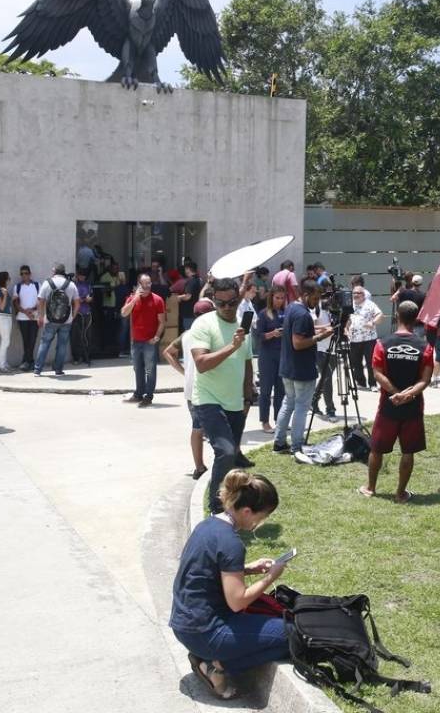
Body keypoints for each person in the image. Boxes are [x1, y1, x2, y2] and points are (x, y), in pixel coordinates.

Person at [170, 470, 289, 700]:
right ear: (246, 511)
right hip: (206, 632)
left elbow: (206, 570)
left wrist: (248, 569)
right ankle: (216, 666)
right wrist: (271, 576)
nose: (259, 523)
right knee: (290, 635)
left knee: (276, 629)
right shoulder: (232, 542)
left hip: (184, 624)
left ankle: (209, 660)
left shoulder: (208, 526)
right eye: (260, 517)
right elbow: (237, 602)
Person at [186, 277, 256, 512]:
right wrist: (231, 347)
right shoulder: (204, 324)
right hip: (208, 399)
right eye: (221, 303)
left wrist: (248, 396)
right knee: (225, 451)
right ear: (213, 300)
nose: (226, 308)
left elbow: (247, 363)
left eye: (232, 302)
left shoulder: (243, 327)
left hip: (235, 402)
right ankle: (216, 508)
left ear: (239, 299)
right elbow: (201, 363)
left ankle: (232, 501)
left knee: (232, 456)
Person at [358, 302, 433, 503]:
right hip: (413, 406)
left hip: (388, 406)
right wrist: (407, 395)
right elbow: (425, 380)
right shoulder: (425, 347)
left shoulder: (382, 343)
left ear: (397, 317)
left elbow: (377, 374)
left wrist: (396, 394)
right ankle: (400, 493)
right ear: (416, 319)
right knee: (408, 451)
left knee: (377, 448)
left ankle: (371, 487)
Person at [273, 279, 332, 453]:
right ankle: (297, 445)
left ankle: (279, 443)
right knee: (301, 407)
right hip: (302, 370)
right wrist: (321, 337)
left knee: (288, 403)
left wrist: (319, 331)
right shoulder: (303, 314)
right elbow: (298, 343)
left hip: (288, 368)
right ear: (305, 295)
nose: (317, 302)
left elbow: (301, 332)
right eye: (314, 298)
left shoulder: (292, 307)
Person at [164, 298, 216, 481]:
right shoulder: (209, 333)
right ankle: (218, 465)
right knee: (214, 429)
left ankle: (199, 467)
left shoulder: (187, 334)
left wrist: (184, 372)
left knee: (197, 428)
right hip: (207, 388)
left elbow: (168, 352)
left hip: (191, 388)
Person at [122, 273, 166, 407]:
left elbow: (162, 322)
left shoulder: (158, 300)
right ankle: (138, 393)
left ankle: (149, 395)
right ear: (138, 284)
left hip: (149, 341)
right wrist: (135, 299)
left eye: (149, 283)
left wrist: (157, 337)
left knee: (150, 369)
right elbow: (124, 313)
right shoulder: (132, 298)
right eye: (144, 284)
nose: (147, 286)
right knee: (137, 368)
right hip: (136, 341)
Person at [34, 263, 79, 377]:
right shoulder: (71, 284)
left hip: (50, 319)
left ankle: (38, 370)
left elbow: (40, 300)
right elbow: (77, 303)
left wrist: (40, 316)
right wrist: (72, 316)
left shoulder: (47, 283)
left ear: (54, 271)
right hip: (66, 320)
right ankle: (58, 370)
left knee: (44, 343)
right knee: (62, 345)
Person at [255, 286, 287, 433]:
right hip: (267, 356)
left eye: (282, 298)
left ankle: (279, 420)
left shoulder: (285, 313)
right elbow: (259, 337)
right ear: (271, 297)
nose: (279, 301)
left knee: (281, 390)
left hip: (282, 355)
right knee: (266, 391)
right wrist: (272, 334)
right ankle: (265, 421)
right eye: (277, 298)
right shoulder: (263, 314)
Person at [346, 284, 384, 390]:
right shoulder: (350, 305)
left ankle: (373, 384)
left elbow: (380, 315)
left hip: (369, 339)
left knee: (370, 362)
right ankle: (361, 382)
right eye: (354, 293)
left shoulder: (370, 304)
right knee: (355, 362)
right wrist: (346, 329)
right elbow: (348, 319)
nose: (356, 295)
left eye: (358, 293)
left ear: (363, 294)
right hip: (354, 339)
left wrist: (373, 322)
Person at [310, 290, 337, 420]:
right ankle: (330, 409)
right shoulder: (317, 308)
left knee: (326, 378)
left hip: (335, 348)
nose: (328, 299)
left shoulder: (336, 308)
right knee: (327, 378)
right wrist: (329, 327)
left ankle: (313, 400)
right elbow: (311, 328)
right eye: (326, 296)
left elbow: (345, 324)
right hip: (320, 348)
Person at [13, 265, 42, 371]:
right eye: (22, 273)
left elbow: (41, 300)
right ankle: (29, 361)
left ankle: (27, 361)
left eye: (26, 273)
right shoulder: (18, 287)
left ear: (30, 274)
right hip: (22, 317)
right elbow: (15, 303)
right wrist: (25, 311)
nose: (24, 275)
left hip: (35, 317)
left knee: (33, 339)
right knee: (26, 340)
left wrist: (33, 309)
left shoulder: (37, 285)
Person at [0, 271, 15, 372]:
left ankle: (4, 363)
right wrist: (5, 295)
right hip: (2, 317)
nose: (10, 279)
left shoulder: (4, 290)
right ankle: (1, 365)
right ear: (4, 279)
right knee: (5, 341)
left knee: (6, 341)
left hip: (7, 317)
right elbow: (1, 306)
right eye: (8, 278)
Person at [71, 268, 93, 366]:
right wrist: (78, 300)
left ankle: (86, 356)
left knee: (87, 335)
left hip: (87, 312)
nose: (82, 277)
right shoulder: (73, 285)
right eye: (80, 275)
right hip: (77, 313)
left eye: (84, 275)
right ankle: (77, 357)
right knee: (77, 336)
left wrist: (89, 299)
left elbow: (91, 296)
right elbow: (72, 299)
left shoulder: (88, 285)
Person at [177, 261, 204, 334]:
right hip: (196, 311)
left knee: (188, 333)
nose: (185, 271)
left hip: (189, 313)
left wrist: (179, 297)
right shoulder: (199, 280)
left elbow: (188, 296)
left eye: (185, 269)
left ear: (188, 269)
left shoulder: (191, 281)